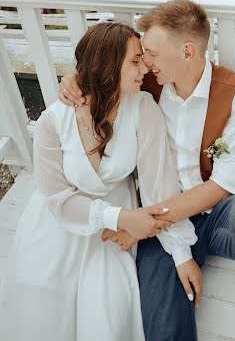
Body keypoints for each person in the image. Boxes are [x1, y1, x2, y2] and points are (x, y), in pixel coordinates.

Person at [60, 0, 235, 341]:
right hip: (162, 217)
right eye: (142, 55)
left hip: (218, 211)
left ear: (187, 52)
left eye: (152, 54)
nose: (144, 61)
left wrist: (143, 222)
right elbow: (105, 74)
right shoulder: (147, 84)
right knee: (162, 321)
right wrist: (72, 78)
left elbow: (222, 185)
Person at [0, 21, 198, 341]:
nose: (145, 67)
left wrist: (181, 254)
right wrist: (122, 217)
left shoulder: (143, 107)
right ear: (107, 66)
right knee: (42, 297)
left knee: (107, 311)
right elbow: (58, 199)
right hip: (59, 221)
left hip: (111, 232)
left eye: (143, 59)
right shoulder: (53, 121)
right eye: (135, 61)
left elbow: (158, 185)